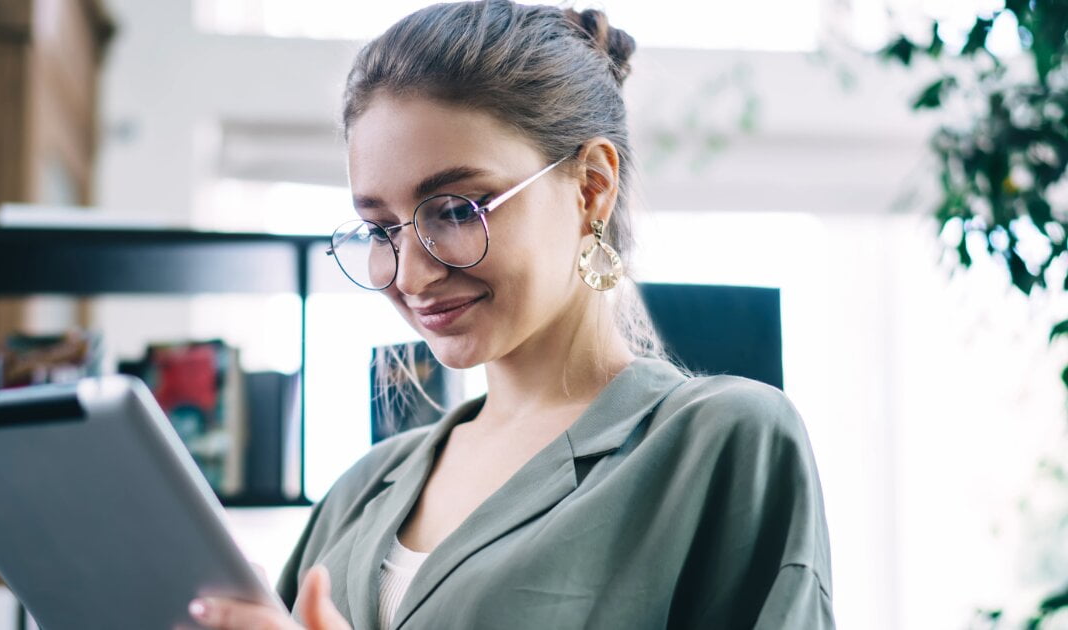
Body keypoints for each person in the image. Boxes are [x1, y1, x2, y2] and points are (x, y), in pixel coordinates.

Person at [190, 1, 834, 628]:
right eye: (381, 228)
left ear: (591, 188)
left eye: (456, 210)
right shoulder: (359, 494)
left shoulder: (721, 442)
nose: (412, 275)